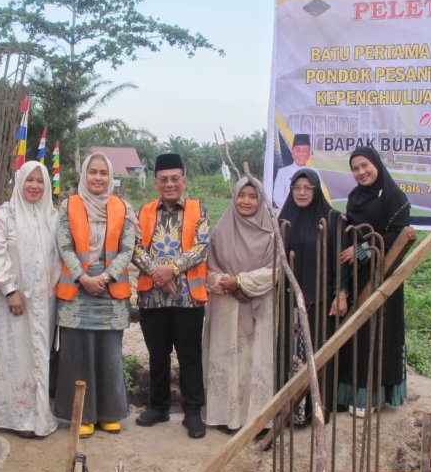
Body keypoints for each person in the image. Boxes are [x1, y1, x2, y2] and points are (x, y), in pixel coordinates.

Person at [54, 153, 135, 438]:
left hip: (110, 291)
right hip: (77, 290)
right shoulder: (69, 205)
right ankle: (81, 414)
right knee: (78, 355)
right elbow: (64, 245)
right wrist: (83, 277)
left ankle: (109, 414)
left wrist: (105, 276)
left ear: (110, 177)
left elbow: (128, 249)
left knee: (109, 355)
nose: (98, 178)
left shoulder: (122, 207)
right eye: (93, 172)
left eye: (103, 173)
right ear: (84, 175)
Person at [133, 153, 210, 439]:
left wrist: (173, 270)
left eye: (174, 179)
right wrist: (158, 274)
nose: (169, 184)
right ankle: (159, 406)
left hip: (188, 298)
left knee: (190, 355)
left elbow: (202, 247)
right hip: (152, 298)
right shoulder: (143, 211)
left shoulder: (197, 210)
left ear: (183, 180)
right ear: (155, 182)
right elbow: (135, 247)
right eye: (164, 179)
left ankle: (192, 411)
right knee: (157, 354)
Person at [0, 161, 59, 438]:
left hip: (43, 303)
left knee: (39, 356)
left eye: (40, 181)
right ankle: (14, 417)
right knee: (14, 358)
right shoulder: (5, 215)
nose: (35, 186)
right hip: (12, 302)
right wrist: (10, 290)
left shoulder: (52, 217)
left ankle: (37, 415)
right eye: (29, 180)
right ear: (20, 182)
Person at [338, 147, 410, 417]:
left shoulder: (395, 198)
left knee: (381, 333)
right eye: (355, 168)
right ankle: (356, 393)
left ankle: (376, 395)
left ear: (376, 164)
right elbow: (351, 232)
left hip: (385, 273)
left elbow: (398, 235)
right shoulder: (355, 197)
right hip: (358, 277)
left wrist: (365, 250)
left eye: (364, 165)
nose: (361, 172)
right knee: (358, 332)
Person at [202, 178, 276, 434]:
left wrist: (242, 281)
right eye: (241, 195)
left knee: (255, 361)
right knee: (227, 360)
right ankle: (225, 416)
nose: (246, 201)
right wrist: (229, 284)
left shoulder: (271, 232)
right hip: (225, 306)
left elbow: (275, 269)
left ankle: (257, 419)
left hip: (260, 306)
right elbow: (209, 268)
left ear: (261, 200)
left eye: (252, 196)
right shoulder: (221, 230)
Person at [278, 169, 349, 422]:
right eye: (297, 187)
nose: (301, 192)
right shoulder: (283, 218)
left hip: (318, 300)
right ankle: (292, 411)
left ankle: (317, 410)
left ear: (316, 190)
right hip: (287, 300)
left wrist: (340, 293)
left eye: (307, 187)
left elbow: (341, 261)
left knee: (318, 353)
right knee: (291, 353)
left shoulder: (331, 219)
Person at [273, 133, 324, 208]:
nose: (301, 154)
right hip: (288, 214)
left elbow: (319, 195)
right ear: (292, 153)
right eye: (298, 150)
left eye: (305, 151)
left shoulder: (315, 172)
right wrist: (294, 209)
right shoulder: (283, 172)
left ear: (309, 153)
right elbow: (277, 197)